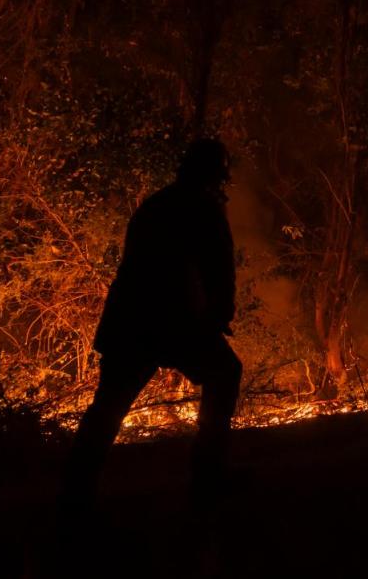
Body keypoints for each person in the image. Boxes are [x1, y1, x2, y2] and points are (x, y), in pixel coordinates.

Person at [62, 138, 242, 511]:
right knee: (225, 372)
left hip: (131, 319)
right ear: (214, 176)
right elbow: (219, 271)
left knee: (108, 406)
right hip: (174, 322)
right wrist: (218, 316)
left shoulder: (155, 205)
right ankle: (208, 477)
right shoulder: (205, 209)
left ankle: (75, 490)